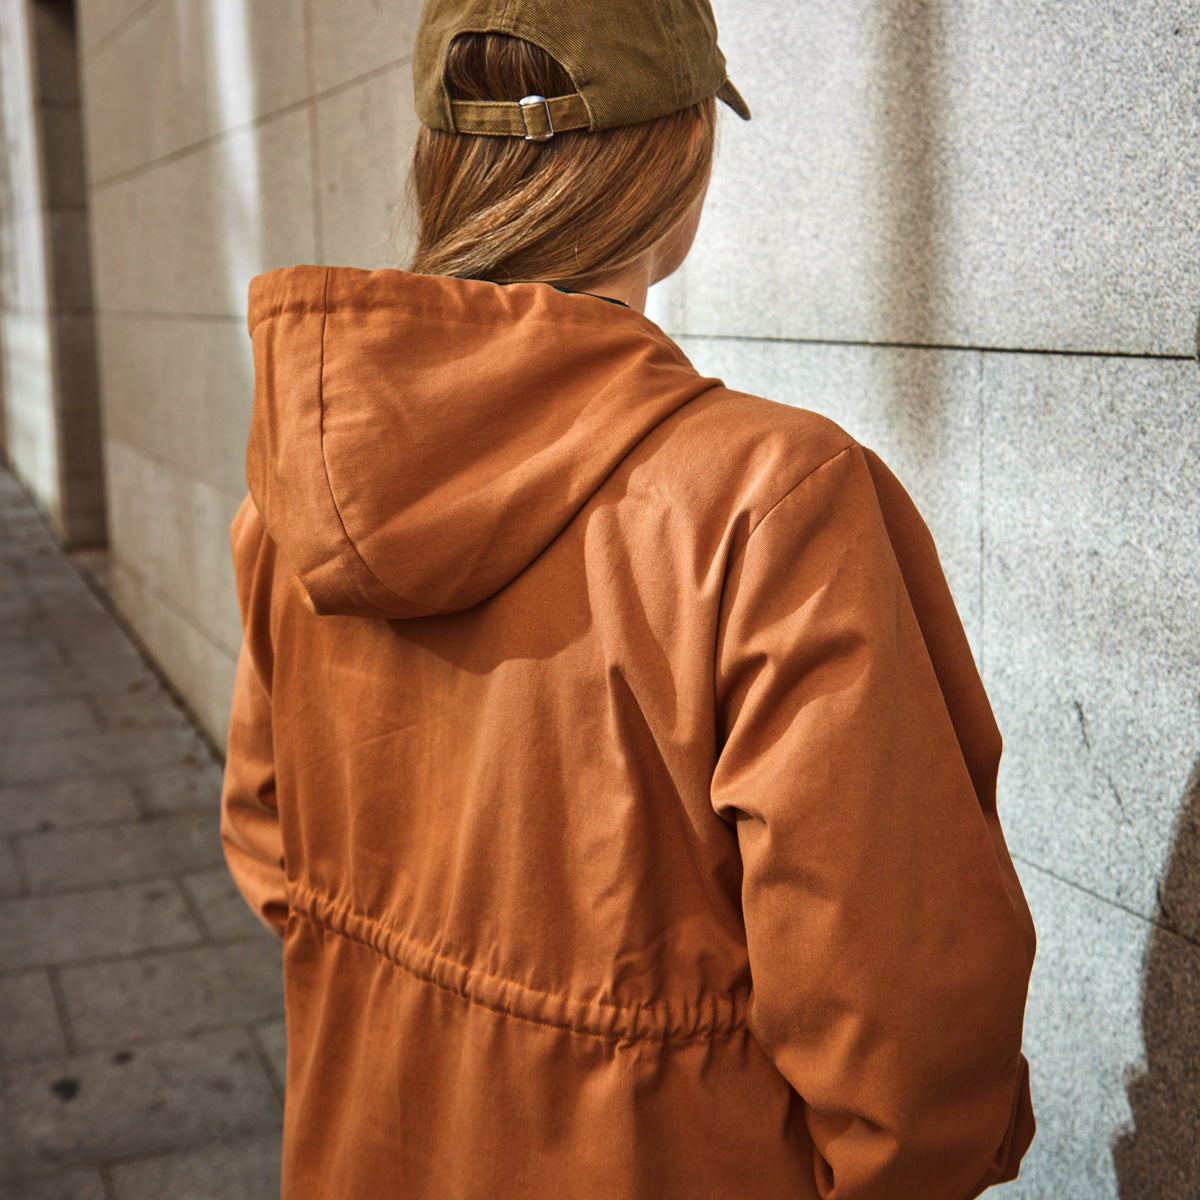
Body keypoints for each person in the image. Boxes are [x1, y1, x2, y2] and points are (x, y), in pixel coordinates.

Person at [221, 0, 1037, 1196]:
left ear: (438, 158)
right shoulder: (772, 507)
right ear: (684, 148)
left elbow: (268, 850)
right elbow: (906, 1039)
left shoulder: (295, 493)